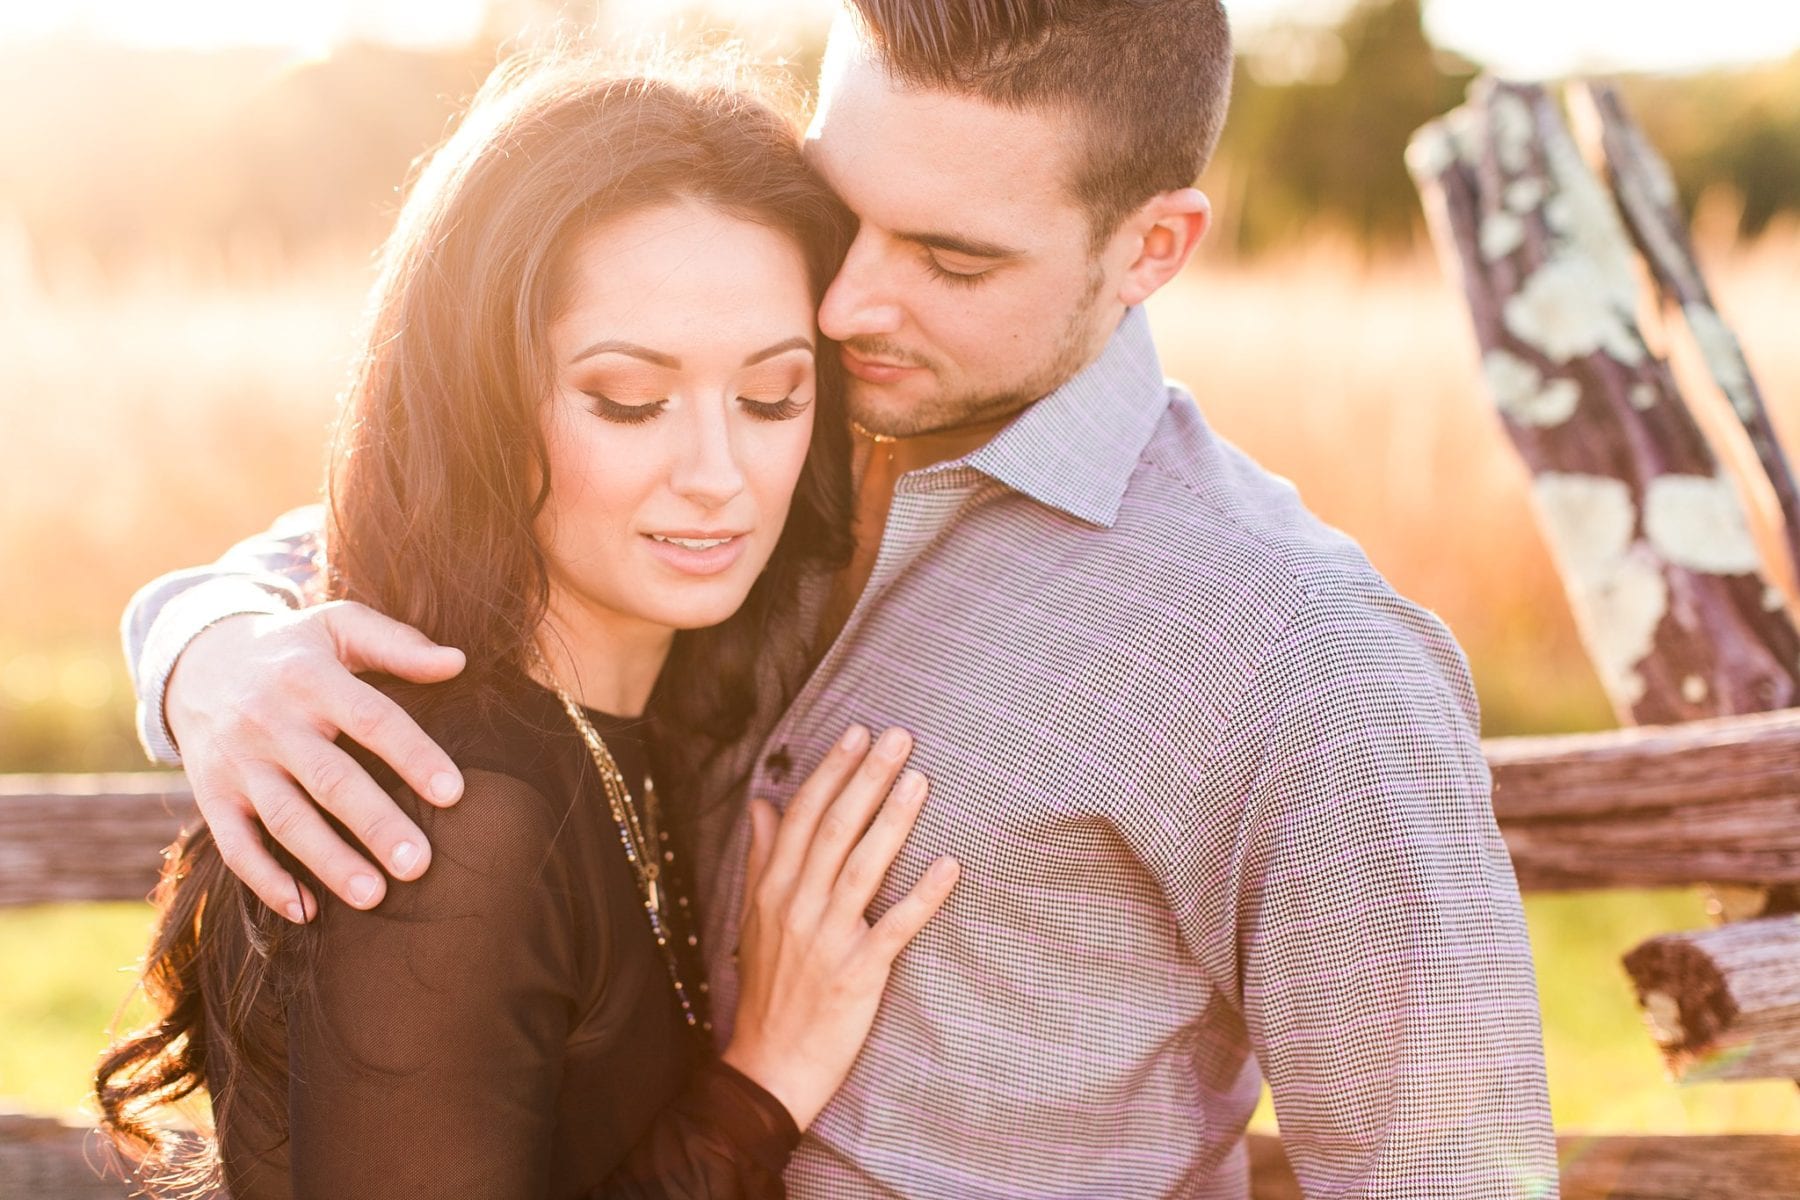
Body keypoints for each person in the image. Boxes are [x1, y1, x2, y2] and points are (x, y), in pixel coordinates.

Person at [123, 1, 1559, 1196]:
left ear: (1152, 249)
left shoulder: (1293, 651)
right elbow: (434, 494)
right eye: (841, 212)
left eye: (951, 257)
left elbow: (1452, 1169)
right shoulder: (771, 434)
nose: (850, 300)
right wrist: (207, 645)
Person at [98, 56, 963, 1199]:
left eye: (770, 398)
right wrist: (764, 1086)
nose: (719, 476)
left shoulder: (654, 706)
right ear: (481, 402)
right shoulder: (449, 821)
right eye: (629, 401)